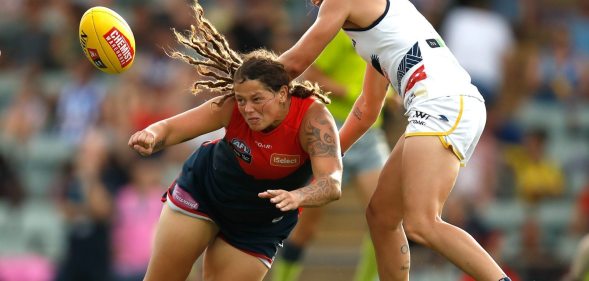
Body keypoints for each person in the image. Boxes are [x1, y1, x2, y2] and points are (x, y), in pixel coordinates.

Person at [277, 0, 511, 280]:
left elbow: (294, 63)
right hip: (443, 104)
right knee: (381, 217)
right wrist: (327, 159)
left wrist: (245, 78)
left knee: (422, 223)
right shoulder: (378, 27)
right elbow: (367, 109)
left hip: (442, 104)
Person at [128, 4, 343, 281]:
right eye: (242, 100)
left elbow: (332, 183)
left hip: (259, 224)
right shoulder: (232, 106)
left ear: (282, 93)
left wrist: (298, 196)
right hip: (205, 193)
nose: (248, 109)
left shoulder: (313, 120)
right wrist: (151, 135)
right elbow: (171, 128)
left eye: (257, 99)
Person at [272, 30, 389, 281]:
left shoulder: (385, 33)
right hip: (334, 132)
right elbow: (311, 74)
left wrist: (388, 97)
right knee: (306, 229)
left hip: (371, 136)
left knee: (386, 220)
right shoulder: (341, 33)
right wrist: (352, 94)